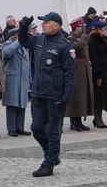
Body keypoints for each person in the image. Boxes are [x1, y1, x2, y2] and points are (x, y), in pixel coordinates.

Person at [18, 12, 75, 177]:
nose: (43, 25)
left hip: (55, 95)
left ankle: (48, 164)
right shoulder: (40, 40)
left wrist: (66, 97)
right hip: (39, 93)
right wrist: (23, 28)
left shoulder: (65, 46)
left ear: (56, 25)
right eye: (42, 22)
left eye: (46, 22)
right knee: (36, 128)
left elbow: (70, 74)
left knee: (53, 131)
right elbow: (24, 41)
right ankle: (51, 153)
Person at [1, 28, 32, 137]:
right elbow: (6, 53)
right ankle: (11, 128)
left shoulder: (24, 47)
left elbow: (27, 65)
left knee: (21, 104)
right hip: (12, 79)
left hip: (23, 79)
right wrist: (18, 42)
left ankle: (20, 127)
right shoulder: (7, 44)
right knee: (12, 104)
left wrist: (29, 79)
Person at [65, 18, 94, 131]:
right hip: (76, 69)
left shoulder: (80, 38)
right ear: (76, 27)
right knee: (76, 96)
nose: (83, 29)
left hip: (83, 69)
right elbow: (78, 46)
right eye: (81, 27)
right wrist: (85, 36)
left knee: (82, 96)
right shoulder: (70, 38)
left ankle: (79, 120)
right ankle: (74, 121)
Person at [88, 20, 107, 129]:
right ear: (98, 30)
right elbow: (94, 59)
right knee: (98, 96)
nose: (106, 31)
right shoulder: (93, 41)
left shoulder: (104, 40)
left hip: (106, 71)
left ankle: (99, 118)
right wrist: (98, 75)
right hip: (99, 72)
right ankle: (97, 118)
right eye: (104, 29)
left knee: (102, 96)